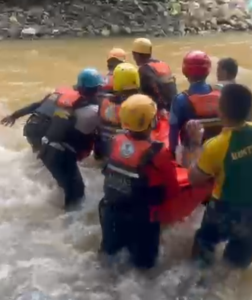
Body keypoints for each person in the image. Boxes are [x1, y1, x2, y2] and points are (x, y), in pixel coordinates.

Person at [99, 94, 179, 269]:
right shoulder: (160, 154)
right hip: (142, 220)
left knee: (109, 260)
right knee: (143, 268)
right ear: (152, 122)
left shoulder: (113, 142)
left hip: (111, 213)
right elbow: (173, 189)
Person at [189, 83, 252, 269]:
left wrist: (195, 144)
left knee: (203, 248)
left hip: (224, 209)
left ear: (220, 111)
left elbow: (194, 178)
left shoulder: (216, 146)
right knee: (235, 266)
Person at [37, 68, 103, 210]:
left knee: (66, 187)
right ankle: (61, 225)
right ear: (98, 89)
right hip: (61, 155)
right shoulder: (93, 112)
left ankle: (56, 212)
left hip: (46, 150)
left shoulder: (67, 103)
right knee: (77, 196)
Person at [169, 50, 222, 156]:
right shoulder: (222, 93)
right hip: (219, 152)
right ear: (208, 70)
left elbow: (173, 137)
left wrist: (173, 154)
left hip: (193, 158)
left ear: (185, 71)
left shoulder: (180, 100)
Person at [94, 62, 140, 160]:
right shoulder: (139, 104)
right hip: (125, 153)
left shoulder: (104, 101)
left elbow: (98, 127)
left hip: (104, 148)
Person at [131, 38, 177, 111]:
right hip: (173, 107)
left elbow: (143, 95)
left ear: (136, 55)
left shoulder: (144, 69)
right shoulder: (163, 64)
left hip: (160, 111)